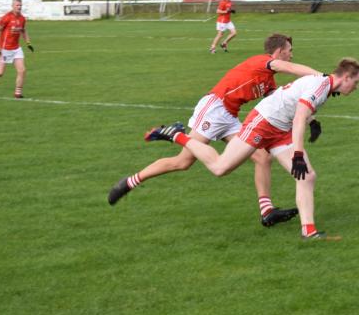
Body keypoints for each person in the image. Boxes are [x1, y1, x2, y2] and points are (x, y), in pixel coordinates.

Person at [107, 33, 322, 228]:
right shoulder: (261, 62)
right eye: (290, 51)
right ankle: (131, 180)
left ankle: (267, 211)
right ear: (279, 52)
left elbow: (285, 104)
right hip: (214, 108)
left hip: (229, 116)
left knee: (262, 157)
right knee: (183, 162)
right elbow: (292, 70)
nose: (292, 56)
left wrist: (311, 120)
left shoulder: (269, 82)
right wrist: (321, 78)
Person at [145, 58, 359, 240]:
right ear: (345, 77)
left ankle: (309, 232)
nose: (355, 88)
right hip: (263, 121)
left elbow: (299, 110)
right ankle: (176, 134)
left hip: (279, 130)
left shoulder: (324, 86)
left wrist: (312, 123)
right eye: (355, 83)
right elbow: (299, 117)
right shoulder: (321, 85)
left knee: (307, 177)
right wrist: (298, 153)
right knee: (220, 168)